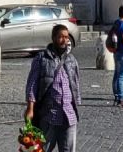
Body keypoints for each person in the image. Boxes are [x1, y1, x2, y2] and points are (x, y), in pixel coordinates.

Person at [24, 23, 82, 152]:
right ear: (53, 38)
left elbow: (75, 81)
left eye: (66, 37)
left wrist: (76, 103)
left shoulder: (72, 59)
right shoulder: (42, 58)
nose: (64, 40)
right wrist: (30, 108)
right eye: (61, 37)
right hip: (49, 114)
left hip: (68, 115)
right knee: (42, 149)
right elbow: (32, 84)